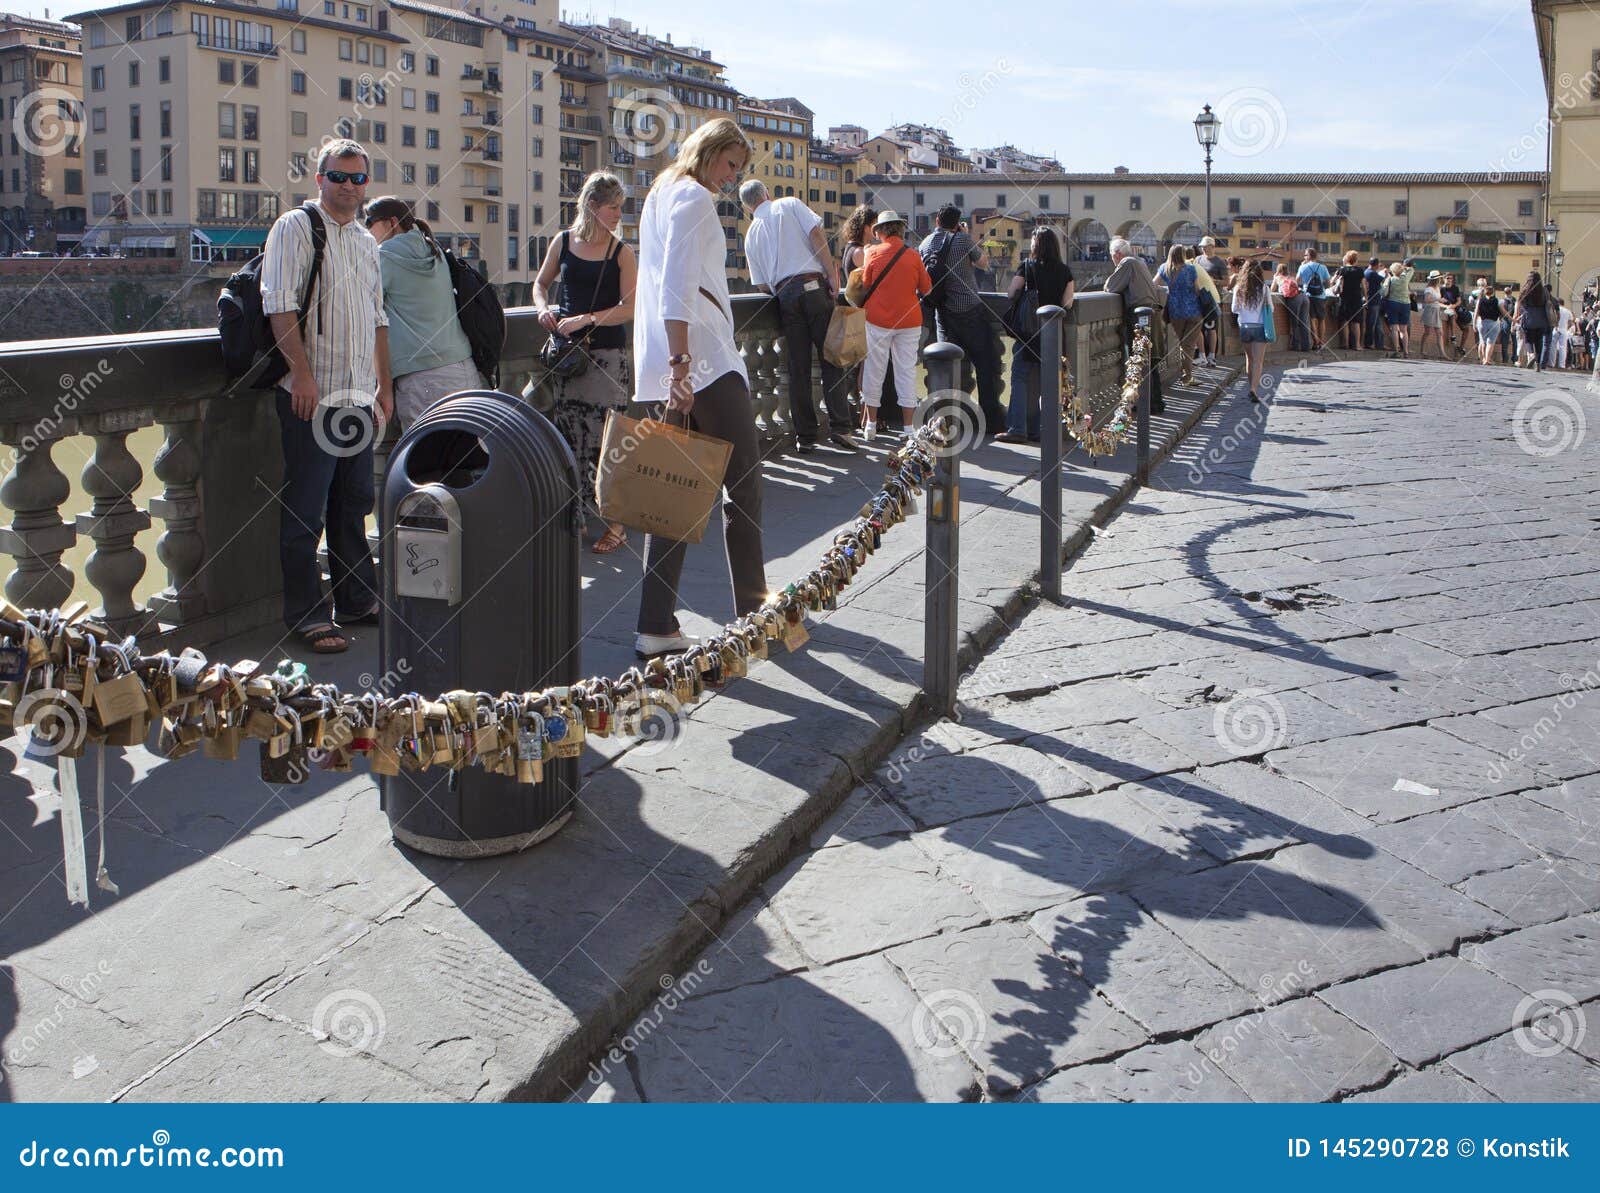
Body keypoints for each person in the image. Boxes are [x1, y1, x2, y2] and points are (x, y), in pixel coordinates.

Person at [633, 117, 765, 658]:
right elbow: (677, 286)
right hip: (703, 363)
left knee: (673, 498)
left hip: (667, 364)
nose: (732, 178)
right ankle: (754, 615)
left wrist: (668, 369)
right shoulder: (692, 198)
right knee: (746, 487)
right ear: (708, 151)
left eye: (739, 169)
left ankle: (655, 625)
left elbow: (662, 284)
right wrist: (683, 368)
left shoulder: (659, 193)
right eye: (731, 163)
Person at [261, 138, 389, 654]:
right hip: (312, 397)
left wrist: (386, 385)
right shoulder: (294, 227)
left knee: (353, 505)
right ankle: (306, 614)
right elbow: (279, 305)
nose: (348, 187)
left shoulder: (364, 240)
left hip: (358, 396)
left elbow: (378, 318)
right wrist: (303, 375)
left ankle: (355, 600)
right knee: (305, 511)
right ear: (319, 179)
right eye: (338, 176)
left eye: (358, 179)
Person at [532, 172, 636, 555]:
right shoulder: (562, 242)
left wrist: (587, 318)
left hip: (608, 358)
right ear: (592, 206)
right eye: (613, 207)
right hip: (568, 359)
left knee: (609, 443)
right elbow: (540, 284)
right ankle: (574, 518)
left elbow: (631, 309)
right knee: (569, 438)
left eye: (620, 208)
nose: (618, 215)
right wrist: (543, 309)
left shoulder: (621, 252)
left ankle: (617, 525)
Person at [739, 179, 855, 454]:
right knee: (831, 359)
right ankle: (841, 428)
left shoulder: (751, 234)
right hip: (813, 286)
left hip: (784, 297)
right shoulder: (789, 204)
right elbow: (816, 237)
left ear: (747, 206)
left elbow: (762, 286)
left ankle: (805, 436)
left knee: (797, 368)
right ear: (767, 193)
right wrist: (831, 275)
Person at [365, 196, 480, 427]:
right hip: (464, 369)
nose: (366, 229)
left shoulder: (383, 256)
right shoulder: (434, 248)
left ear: (392, 222)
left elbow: (367, 314)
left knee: (426, 458)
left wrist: (383, 385)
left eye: (369, 222)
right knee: (468, 456)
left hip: (421, 378)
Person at [920, 206, 1004, 435]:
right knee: (986, 364)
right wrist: (965, 235)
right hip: (969, 310)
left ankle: (945, 422)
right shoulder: (962, 240)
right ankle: (990, 420)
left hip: (942, 314)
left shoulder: (925, 243)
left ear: (937, 219)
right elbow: (983, 263)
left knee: (948, 367)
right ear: (958, 223)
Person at [859, 209, 933, 442]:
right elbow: (927, 288)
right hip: (909, 321)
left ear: (879, 231)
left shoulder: (872, 253)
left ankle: (870, 426)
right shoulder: (913, 255)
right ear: (900, 230)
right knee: (906, 372)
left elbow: (865, 283)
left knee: (874, 370)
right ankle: (908, 429)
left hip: (878, 320)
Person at [996, 226, 1074, 444]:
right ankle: (1043, 430)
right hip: (1053, 334)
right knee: (1049, 382)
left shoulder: (1027, 267)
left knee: (1020, 378)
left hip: (1028, 333)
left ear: (1036, 245)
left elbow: (1012, 293)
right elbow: (1067, 303)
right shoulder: (1065, 270)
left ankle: (1017, 429)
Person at [1105, 236, 1166, 413]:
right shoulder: (1139, 263)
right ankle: (1155, 402)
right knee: (1149, 359)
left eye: (1111, 255)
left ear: (1117, 254)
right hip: (1151, 313)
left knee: (1140, 359)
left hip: (1140, 315)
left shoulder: (1127, 263)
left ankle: (1149, 404)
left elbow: (1110, 286)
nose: (1112, 259)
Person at [1155, 244, 1202, 387]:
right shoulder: (1190, 269)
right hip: (1193, 311)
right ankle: (1187, 377)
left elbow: (1153, 284)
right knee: (1188, 345)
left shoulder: (1165, 269)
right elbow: (1197, 289)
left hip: (1176, 312)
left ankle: (1186, 375)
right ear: (1183, 254)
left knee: (1183, 344)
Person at [1231, 259, 1271, 404]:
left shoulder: (1238, 288)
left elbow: (1234, 309)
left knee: (1249, 359)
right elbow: (1270, 308)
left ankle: (1250, 388)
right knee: (1258, 362)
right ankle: (1254, 389)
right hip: (1260, 327)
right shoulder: (1264, 288)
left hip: (1245, 327)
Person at [1195, 236, 1230, 364]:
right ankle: (1201, 355)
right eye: (1202, 247)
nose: (1203, 249)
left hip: (1213, 299)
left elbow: (1227, 281)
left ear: (1212, 247)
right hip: (1199, 298)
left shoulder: (1220, 262)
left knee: (1211, 328)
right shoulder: (1198, 260)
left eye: (1205, 246)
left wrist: (1213, 281)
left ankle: (1212, 356)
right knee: (1198, 328)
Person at [1187, 245, 1222, 368]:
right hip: (1212, 298)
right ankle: (1211, 357)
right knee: (1211, 329)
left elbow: (1193, 286)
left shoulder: (1188, 265)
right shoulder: (1196, 265)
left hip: (1206, 300)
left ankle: (1202, 357)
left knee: (1196, 328)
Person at [1514, 270, 1552, 372]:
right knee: (1539, 341)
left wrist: (1518, 315)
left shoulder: (1525, 290)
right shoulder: (1544, 291)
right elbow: (1548, 303)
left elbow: (1520, 303)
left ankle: (1531, 354)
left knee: (1528, 339)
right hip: (1541, 319)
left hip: (1528, 317)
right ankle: (1538, 365)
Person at [1296, 248, 1331, 348]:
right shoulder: (1323, 267)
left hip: (1308, 296)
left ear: (1309, 256)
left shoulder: (1303, 267)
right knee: (1322, 319)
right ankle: (1321, 342)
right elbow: (1328, 284)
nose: (1304, 257)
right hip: (1321, 296)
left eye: (1305, 255)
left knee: (1312, 319)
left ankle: (1315, 341)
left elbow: (1297, 281)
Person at [1334, 250, 1366, 351]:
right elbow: (1364, 286)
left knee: (1345, 321)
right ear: (1356, 260)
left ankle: (1345, 344)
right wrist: (1366, 297)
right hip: (1356, 298)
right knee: (1356, 322)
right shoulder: (1360, 270)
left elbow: (1331, 281)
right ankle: (1357, 345)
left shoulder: (1342, 270)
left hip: (1345, 298)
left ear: (1347, 259)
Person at [1275, 263, 1311, 351]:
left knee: (1295, 323)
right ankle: (1306, 346)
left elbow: (1272, 289)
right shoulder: (1292, 278)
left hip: (1294, 299)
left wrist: (1275, 277)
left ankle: (1296, 345)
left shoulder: (1278, 278)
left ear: (1278, 270)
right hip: (1303, 296)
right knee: (1304, 322)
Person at [1382, 261, 1414, 357]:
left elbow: (1384, 293)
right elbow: (1411, 269)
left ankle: (1396, 349)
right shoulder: (1405, 278)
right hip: (1405, 304)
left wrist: (1387, 276)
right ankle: (1406, 351)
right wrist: (1404, 267)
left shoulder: (1390, 279)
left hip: (1393, 303)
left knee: (1394, 329)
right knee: (1404, 330)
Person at [1472, 278, 1503, 366]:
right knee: (1488, 342)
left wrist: (1474, 323)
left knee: (1481, 341)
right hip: (1487, 320)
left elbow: (1474, 309)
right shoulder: (1491, 298)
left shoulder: (1475, 294)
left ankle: (1482, 358)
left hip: (1480, 320)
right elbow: (1501, 310)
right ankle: (1486, 359)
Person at [1417, 271, 1445, 359]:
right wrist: (1439, 299)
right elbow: (1427, 300)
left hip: (1436, 309)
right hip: (1430, 310)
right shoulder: (1429, 289)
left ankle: (1442, 353)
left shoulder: (1438, 288)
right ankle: (1422, 350)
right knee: (1427, 332)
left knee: (1440, 332)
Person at [1362, 256, 1386, 349]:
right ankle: (1369, 343)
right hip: (1374, 301)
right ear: (1376, 265)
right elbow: (1384, 280)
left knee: (1376, 324)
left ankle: (1379, 344)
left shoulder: (1366, 272)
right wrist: (1386, 274)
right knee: (1371, 324)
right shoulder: (1372, 273)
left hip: (1371, 299)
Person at [1553, 297, 1574, 369]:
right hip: (1564, 330)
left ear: (1558, 303)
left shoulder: (1555, 310)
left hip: (1555, 329)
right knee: (1563, 348)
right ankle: (1561, 365)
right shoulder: (1568, 311)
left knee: (1553, 347)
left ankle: (1551, 363)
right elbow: (1571, 323)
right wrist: (1566, 328)